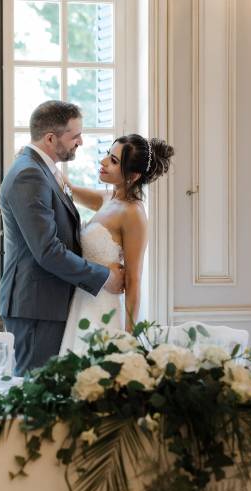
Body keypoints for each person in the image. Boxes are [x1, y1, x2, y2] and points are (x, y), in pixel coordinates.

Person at [0, 100, 125, 375]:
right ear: (50, 138)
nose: (80, 141)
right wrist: (104, 274)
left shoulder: (40, 169)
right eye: (75, 135)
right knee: (36, 394)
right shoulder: (29, 174)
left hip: (49, 303)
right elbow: (47, 251)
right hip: (37, 306)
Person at [59, 134, 174, 355]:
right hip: (81, 299)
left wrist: (129, 339)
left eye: (113, 161)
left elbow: (133, 279)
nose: (103, 162)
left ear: (132, 175)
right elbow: (69, 190)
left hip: (103, 306)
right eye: (106, 155)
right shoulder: (107, 199)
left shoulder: (133, 214)